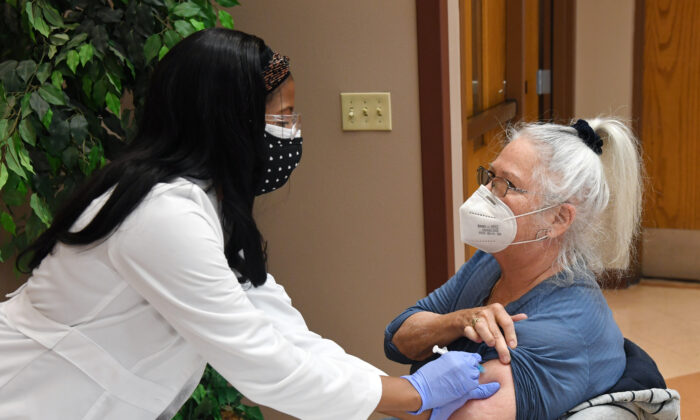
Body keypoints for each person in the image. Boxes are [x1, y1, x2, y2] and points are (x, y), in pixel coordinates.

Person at [0, 29, 497, 419]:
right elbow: (259, 360)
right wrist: (411, 393)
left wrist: (396, 392)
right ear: (230, 120)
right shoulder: (161, 215)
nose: (293, 128)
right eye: (282, 115)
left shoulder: (203, 203)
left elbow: (279, 328)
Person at [384, 118, 643, 420]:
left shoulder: (565, 328)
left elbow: (453, 413)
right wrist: (459, 320)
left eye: (506, 184)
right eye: (490, 176)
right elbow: (398, 339)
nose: (486, 193)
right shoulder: (492, 261)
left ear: (558, 218)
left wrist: (344, 388)